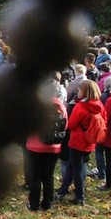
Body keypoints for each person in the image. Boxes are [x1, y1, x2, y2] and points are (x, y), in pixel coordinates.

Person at [56, 80, 106, 206]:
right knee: (72, 166)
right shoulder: (99, 105)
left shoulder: (81, 107)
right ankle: (62, 190)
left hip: (77, 141)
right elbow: (105, 120)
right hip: (90, 141)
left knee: (76, 168)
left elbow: (71, 124)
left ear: (83, 91)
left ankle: (80, 196)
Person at [25, 78, 67, 211]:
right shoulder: (61, 107)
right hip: (54, 146)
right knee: (48, 176)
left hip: (35, 145)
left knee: (35, 175)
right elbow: (66, 125)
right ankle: (47, 203)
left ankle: (34, 204)